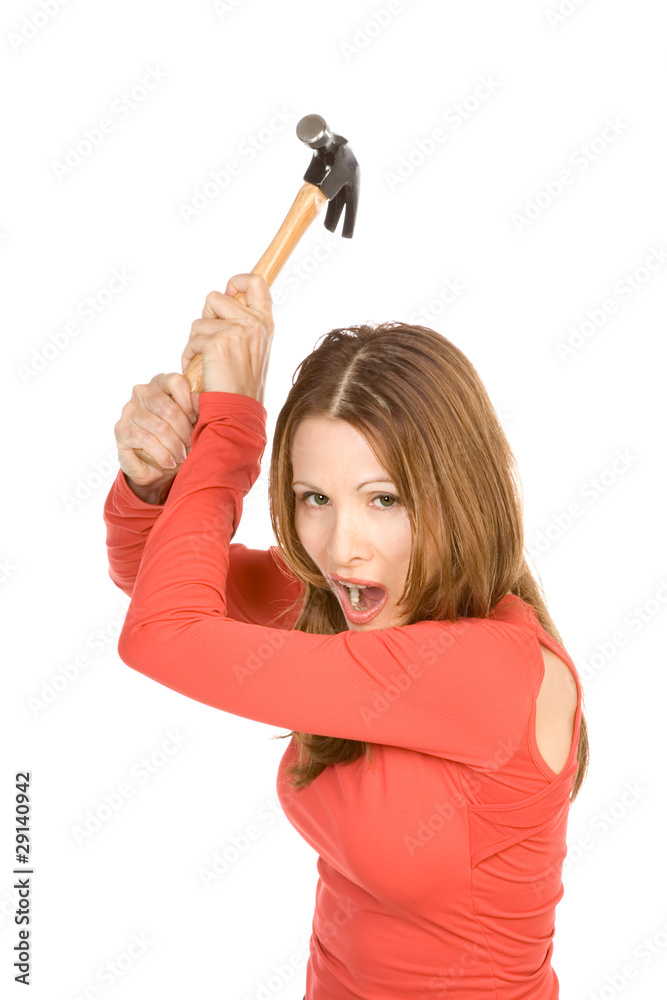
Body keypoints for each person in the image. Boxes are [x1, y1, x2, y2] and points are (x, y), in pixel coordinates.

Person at [103, 273, 589, 999]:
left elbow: (162, 633)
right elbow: (155, 576)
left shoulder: (493, 670)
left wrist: (229, 431)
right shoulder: (349, 603)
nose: (341, 548)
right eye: (315, 499)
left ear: (460, 493)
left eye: (384, 499)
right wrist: (155, 481)